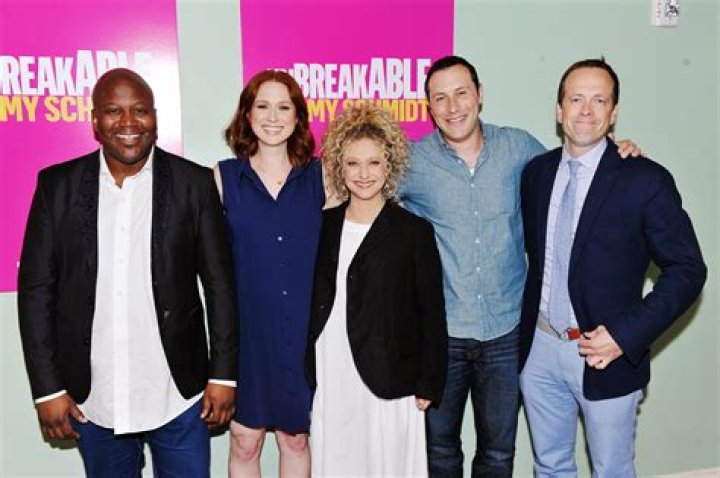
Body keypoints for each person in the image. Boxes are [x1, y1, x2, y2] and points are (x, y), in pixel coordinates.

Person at [398, 55, 641, 477]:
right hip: (442, 335)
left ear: (480, 95)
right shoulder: (412, 162)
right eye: (440, 98)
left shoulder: (521, 149)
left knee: (498, 452)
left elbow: (577, 169)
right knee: (438, 451)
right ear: (429, 107)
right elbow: (360, 186)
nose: (453, 107)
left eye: (461, 93)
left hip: (507, 333)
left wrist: (619, 150)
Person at [17, 68, 238, 477]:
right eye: (113, 111)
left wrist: (224, 376)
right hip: (94, 399)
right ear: (95, 121)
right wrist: (47, 389)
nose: (129, 122)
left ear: (155, 117)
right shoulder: (57, 187)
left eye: (140, 110)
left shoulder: (194, 184)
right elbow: (36, 291)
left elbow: (220, 285)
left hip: (179, 394)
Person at [519, 58, 706, 477]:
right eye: (576, 99)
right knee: (549, 466)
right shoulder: (536, 174)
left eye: (599, 100)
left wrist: (625, 335)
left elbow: (688, 269)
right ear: (559, 110)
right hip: (540, 349)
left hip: (607, 354)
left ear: (614, 112)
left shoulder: (645, 180)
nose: (586, 110)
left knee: (612, 470)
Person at [306, 103, 447, 476]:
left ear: (389, 165)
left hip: (390, 371)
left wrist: (429, 381)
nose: (363, 174)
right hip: (332, 365)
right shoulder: (322, 226)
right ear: (339, 168)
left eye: (373, 162)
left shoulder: (414, 231)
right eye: (353, 163)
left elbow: (431, 312)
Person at [216, 70, 324, 477]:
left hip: (305, 336)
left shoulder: (323, 177)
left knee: (295, 440)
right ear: (247, 114)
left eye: (284, 107)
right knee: (245, 440)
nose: (273, 117)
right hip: (248, 337)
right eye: (262, 106)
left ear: (298, 117)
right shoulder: (223, 178)